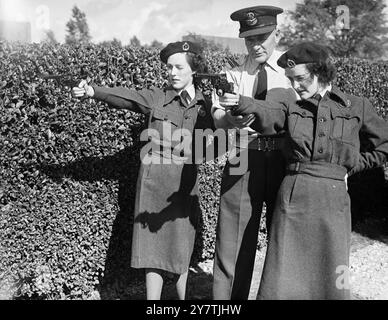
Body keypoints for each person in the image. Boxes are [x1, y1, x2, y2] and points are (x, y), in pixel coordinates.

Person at [219, 42, 388, 299]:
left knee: (332, 272)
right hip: (293, 199)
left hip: (333, 201)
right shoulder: (291, 106)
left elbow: (384, 145)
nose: (295, 86)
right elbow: (267, 112)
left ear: (321, 72)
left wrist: (353, 166)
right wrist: (240, 102)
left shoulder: (356, 106)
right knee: (284, 275)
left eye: (301, 79)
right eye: (290, 79)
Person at [72, 41, 215, 300]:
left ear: (193, 69)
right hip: (154, 183)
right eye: (169, 67)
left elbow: (217, 135)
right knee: (154, 248)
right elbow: (127, 97)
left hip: (184, 184)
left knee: (182, 247)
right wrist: (94, 91)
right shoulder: (158, 97)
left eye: (178, 67)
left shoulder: (207, 104)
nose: (172, 72)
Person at [211, 5, 294, 299]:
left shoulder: (292, 75)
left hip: (286, 159)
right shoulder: (230, 76)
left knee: (285, 240)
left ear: (277, 34)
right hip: (243, 155)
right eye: (250, 39)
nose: (256, 45)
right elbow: (217, 117)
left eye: (263, 36)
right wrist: (229, 119)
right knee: (232, 243)